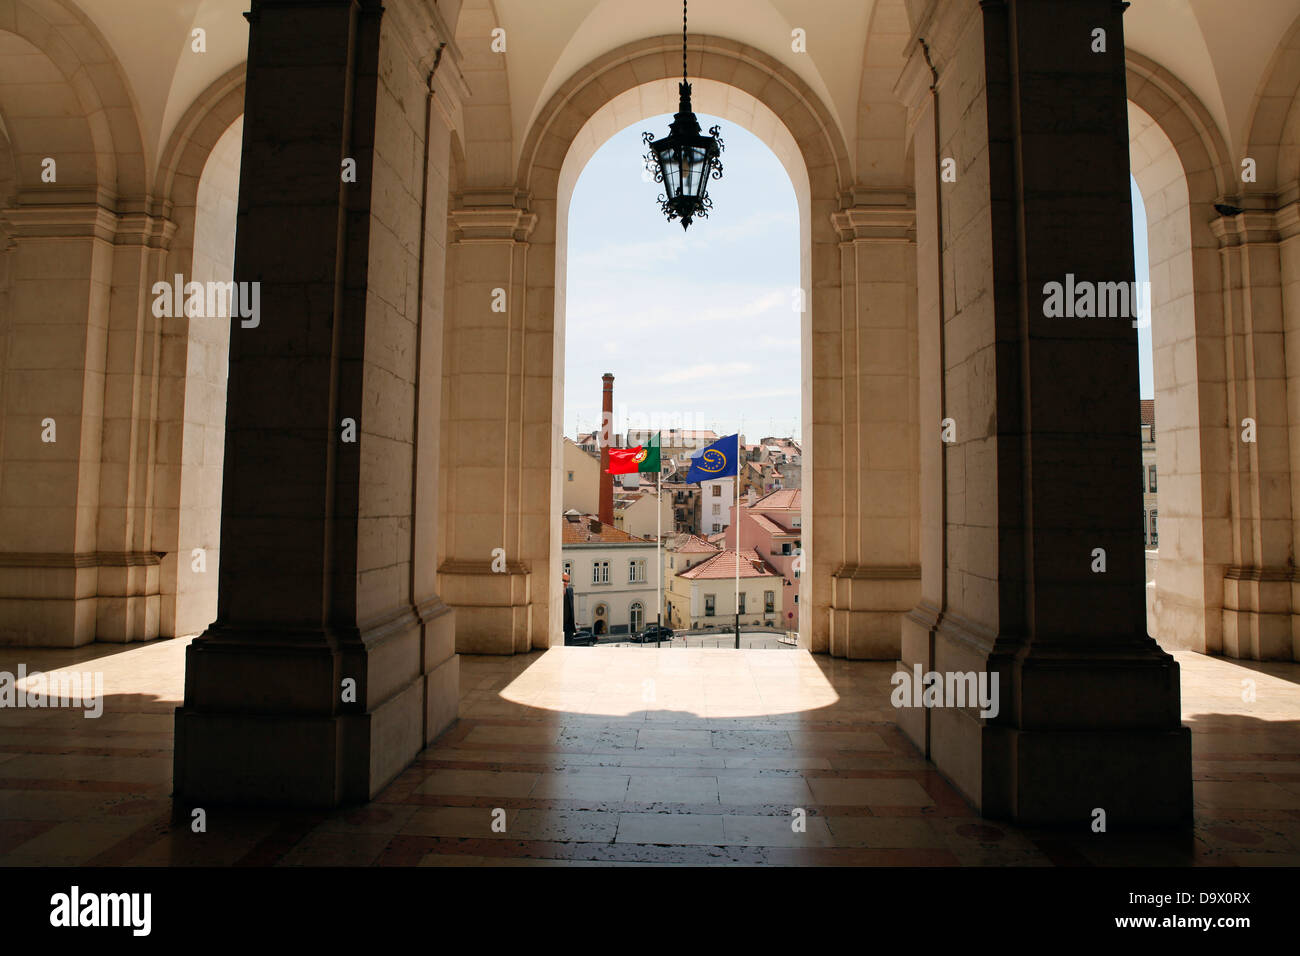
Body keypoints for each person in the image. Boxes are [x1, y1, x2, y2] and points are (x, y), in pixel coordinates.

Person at [563, 572, 576, 645]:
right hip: (558, 629)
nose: (566, 583)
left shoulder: (570, 591)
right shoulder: (554, 592)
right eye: (564, 580)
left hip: (569, 629)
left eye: (567, 581)